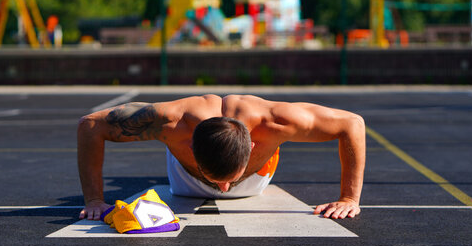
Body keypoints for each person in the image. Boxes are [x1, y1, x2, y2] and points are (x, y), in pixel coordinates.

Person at [78, 94, 365, 221]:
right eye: (220, 181)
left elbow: (352, 124)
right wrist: (93, 200)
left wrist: (349, 199)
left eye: (229, 180)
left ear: (252, 147)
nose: (224, 189)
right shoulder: (171, 123)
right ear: (191, 148)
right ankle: (210, 168)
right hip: (186, 178)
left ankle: (243, 166)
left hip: (257, 176)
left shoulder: (277, 121)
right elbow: (91, 125)